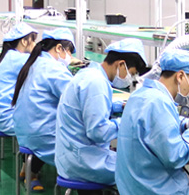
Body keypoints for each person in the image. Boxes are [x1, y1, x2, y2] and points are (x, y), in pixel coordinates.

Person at [55, 38, 148, 192]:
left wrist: (118, 106)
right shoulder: (96, 83)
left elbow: (89, 107)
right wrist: (125, 121)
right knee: (141, 168)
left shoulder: (90, 74)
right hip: (83, 162)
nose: (130, 79)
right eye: (131, 74)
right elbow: (98, 132)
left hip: (71, 154)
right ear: (121, 64)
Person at [116, 48, 189, 194]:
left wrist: (184, 124)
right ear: (180, 76)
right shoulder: (159, 103)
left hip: (131, 186)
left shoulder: (141, 94)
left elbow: (161, 123)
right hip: (154, 189)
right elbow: (175, 157)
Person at [12, 27, 75, 192]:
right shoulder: (55, 69)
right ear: (59, 48)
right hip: (41, 135)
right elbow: (76, 101)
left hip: (24, 131)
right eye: (69, 51)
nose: (70, 57)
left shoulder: (34, 62)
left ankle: (28, 170)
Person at [0, 22, 38, 135]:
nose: (35, 45)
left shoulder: (7, 56)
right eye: (33, 41)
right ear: (24, 41)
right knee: (46, 126)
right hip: (6, 119)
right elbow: (45, 64)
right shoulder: (19, 58)